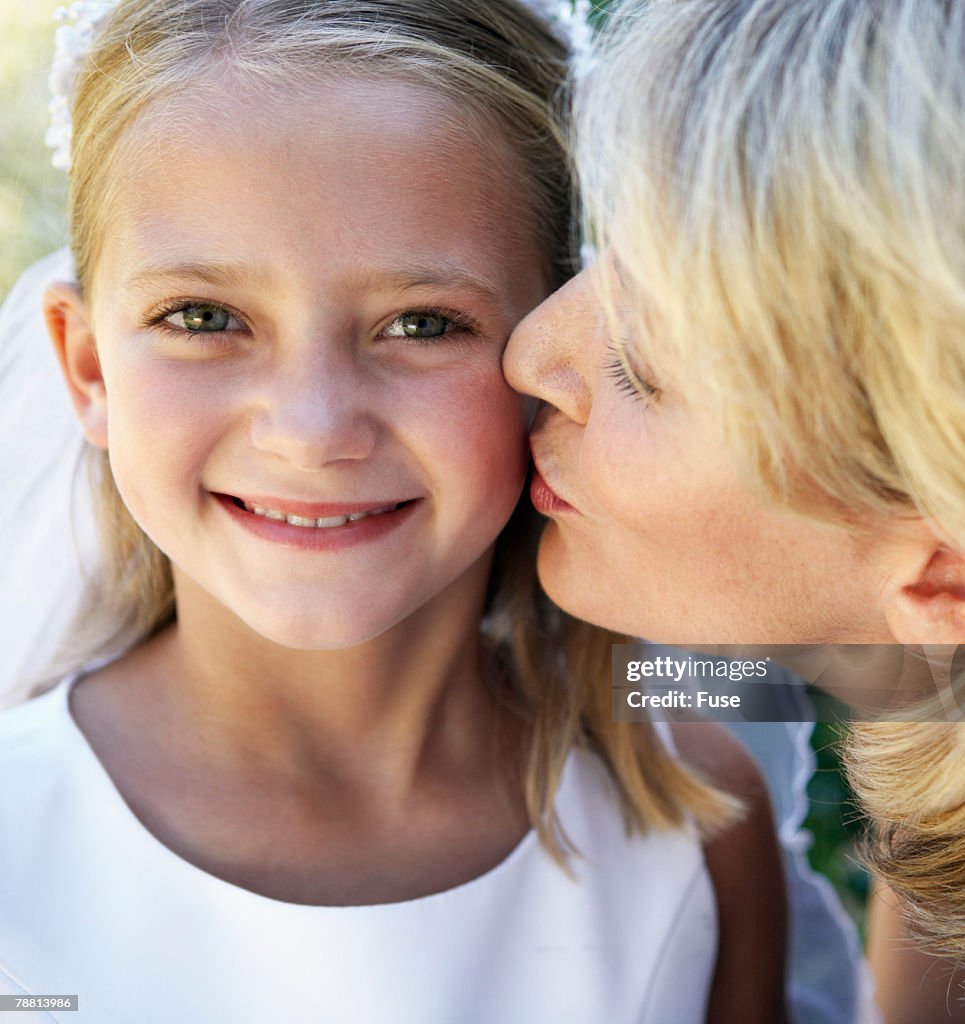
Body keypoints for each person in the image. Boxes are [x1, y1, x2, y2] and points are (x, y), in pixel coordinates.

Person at [0, 1, 790, 1021]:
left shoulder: (689, 821)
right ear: (89, 365)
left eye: (421, 323)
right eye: (202, 317)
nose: (313, 429)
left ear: (547, 353)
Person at [503, 0, 965, 1017]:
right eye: (603, 248)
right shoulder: (938, 655)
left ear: (955, 572)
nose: (528, 351)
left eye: (642, 367)